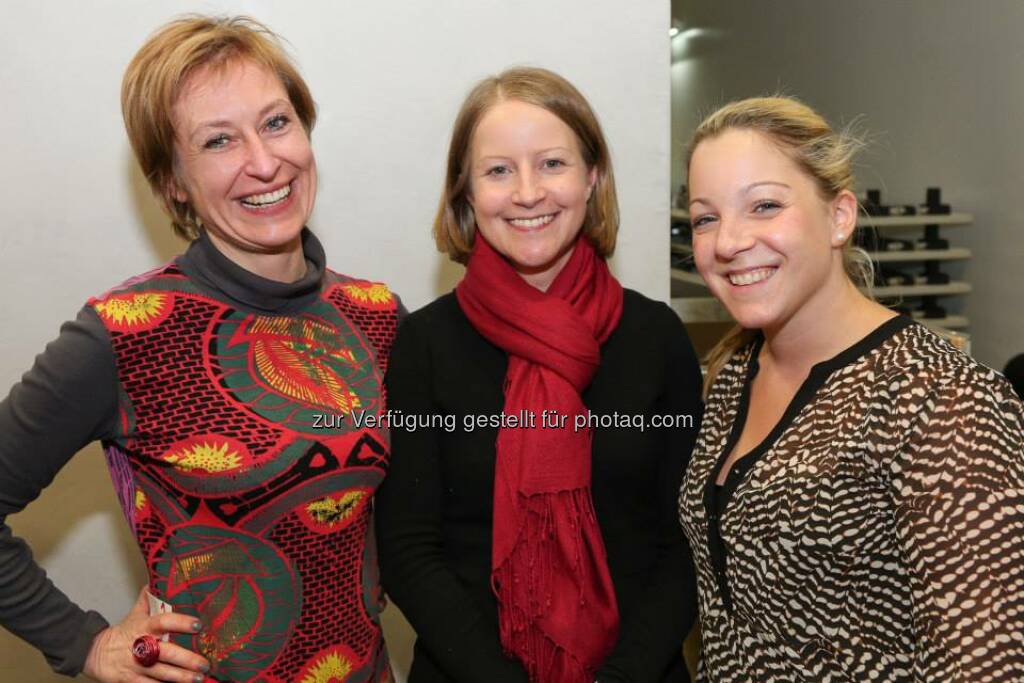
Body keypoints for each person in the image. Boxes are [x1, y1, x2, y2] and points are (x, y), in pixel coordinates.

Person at [0, 16, 401, 683]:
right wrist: (84, 643)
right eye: (219, 140)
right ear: (172, 183)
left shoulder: (379, 317)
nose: (265, 161)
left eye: (276, 123)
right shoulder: (126, 333)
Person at [678, 96, 1024, 681]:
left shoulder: (943, 399)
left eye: (764, 205)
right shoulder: (731, 372)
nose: (728, 241)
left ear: (839, 216)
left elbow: (982, 664)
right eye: (705, 217)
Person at [375, 67, 702, 683]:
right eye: (499, 170)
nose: (528, 193)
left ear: (593, 176)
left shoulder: (657, 338)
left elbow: (686, 543)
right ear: (466, 193)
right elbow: (409, 549)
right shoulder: (424, 343)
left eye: (552, 163)